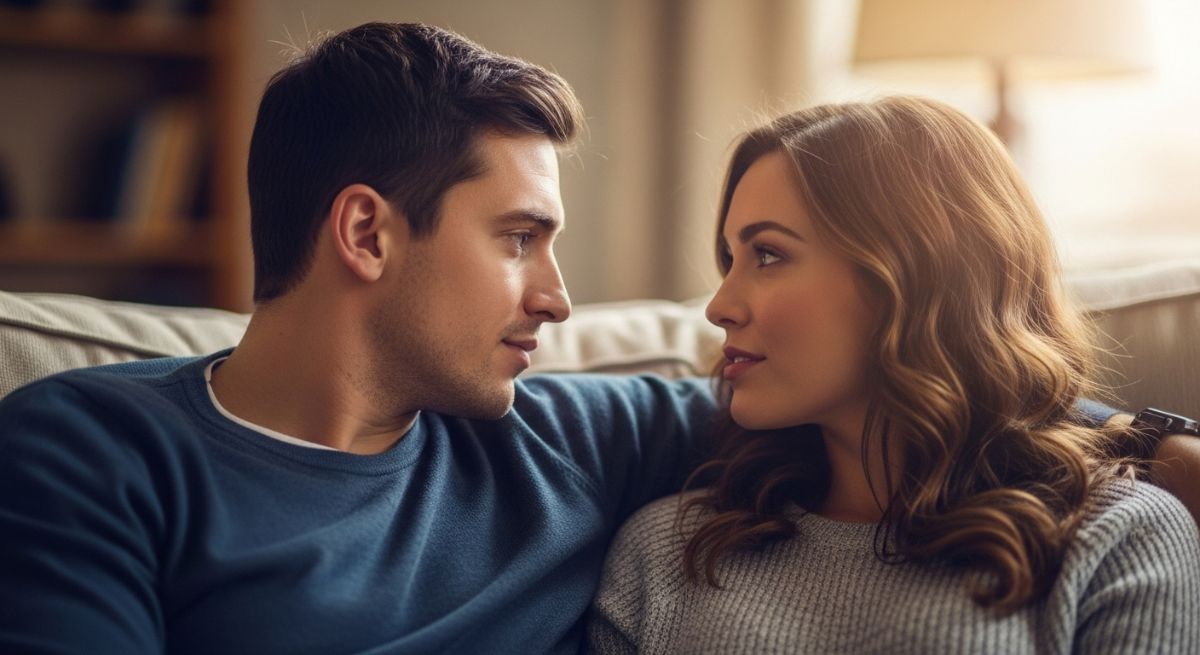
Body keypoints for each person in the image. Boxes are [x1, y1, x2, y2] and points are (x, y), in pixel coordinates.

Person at [0, 24, 1194, 655]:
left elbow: (919, 388)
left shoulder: (578, 439)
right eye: (519, 237)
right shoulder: (91, 450)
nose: (558, 298)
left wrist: (1160, 446)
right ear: (365, 230)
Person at [586, 97, 1200, 653]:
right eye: (730, 260)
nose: (719, 306)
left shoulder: (1120, 536)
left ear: (912, 277)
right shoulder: (669, 550)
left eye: (768, 255)